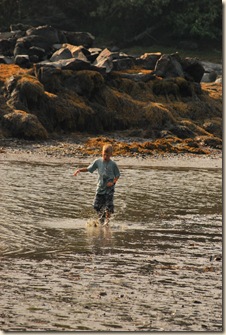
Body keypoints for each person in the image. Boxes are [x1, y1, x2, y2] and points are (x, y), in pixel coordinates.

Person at [73, 143, 120, 226]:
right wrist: (79, 170)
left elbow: (117, 175)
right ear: (102, 153)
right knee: (97, 206)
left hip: (109, 189)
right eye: (104, 155)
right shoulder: (98, 162)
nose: (105, 157)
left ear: (111, 155)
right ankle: (101, 220)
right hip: (100, 188)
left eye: (107, 155)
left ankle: (107, 222)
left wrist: (113, 182)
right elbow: (89, 168)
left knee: (108, 206)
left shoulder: (113, 165)